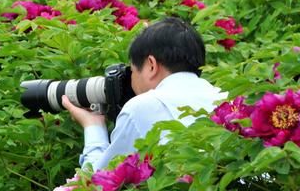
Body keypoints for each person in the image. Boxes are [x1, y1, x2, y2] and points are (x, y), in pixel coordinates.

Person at [62, 17, 226, 171]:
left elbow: (99, 183)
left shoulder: (143, 107)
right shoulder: (227, 101)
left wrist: (93, 126)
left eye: (132, 71)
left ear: (151, 65)